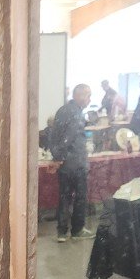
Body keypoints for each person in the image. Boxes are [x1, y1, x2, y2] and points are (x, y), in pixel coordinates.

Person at [49, 83, 93, 243]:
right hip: (76, 163)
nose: (89, 99)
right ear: (79, 96)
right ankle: (77, 229)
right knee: (80, 197)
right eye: (88, 96)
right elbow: (69, 137)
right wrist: (60, 156)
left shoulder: (62, 110)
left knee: (64, 197)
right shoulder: (76, 114)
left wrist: (57, 157)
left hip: (65, 164)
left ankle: (61, 231)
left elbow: (53, 136)